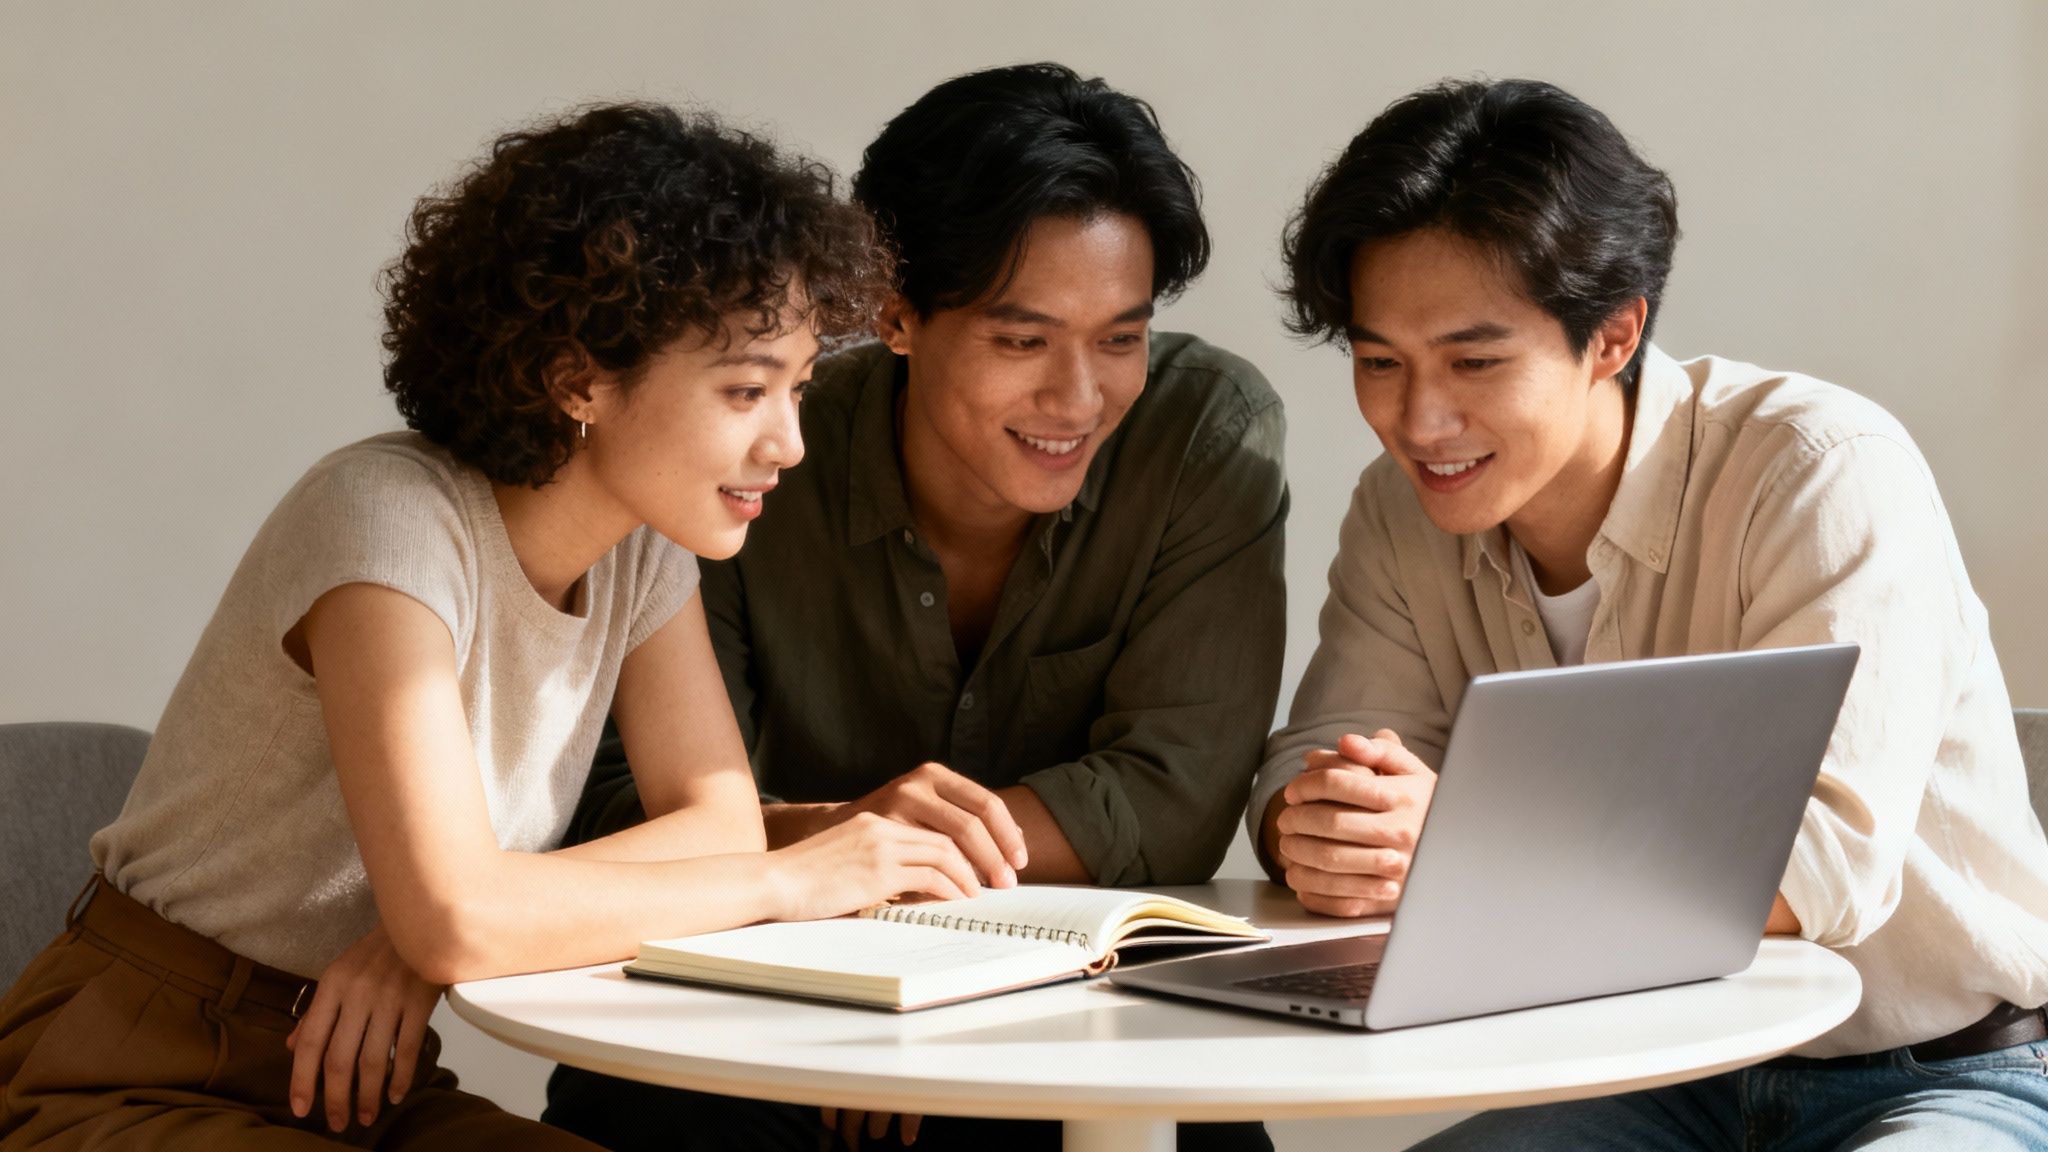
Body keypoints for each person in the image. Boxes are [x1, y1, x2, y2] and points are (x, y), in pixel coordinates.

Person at [0, 102, 982, 1150]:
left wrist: (425, 933)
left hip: (358, 1080)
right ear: (577, 381)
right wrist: (790, 880)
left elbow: (713, 828)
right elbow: (466, 916)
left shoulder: (643, 553)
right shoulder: (386, 522)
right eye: (745, 391)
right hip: (130, 1072)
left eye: (795, 389)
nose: (786, 443)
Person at [1253, 77, 2048, 1149]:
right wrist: (1316, 826)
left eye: (1473, 361)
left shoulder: (1818, 469)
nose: (1416, 419)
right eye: (1376, 361)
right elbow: (1321, 754)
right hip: (1642, 1073)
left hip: (1942, 1071)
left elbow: (1825, 865)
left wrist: (1458, 836)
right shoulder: (1398, 516)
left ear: (1613, 334)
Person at [545, 64, 1287, 1152]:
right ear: (894, 314)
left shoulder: (1200, 439)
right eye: (1022, 341)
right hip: (758, 1007)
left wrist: (882, 887)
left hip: (1070, 1012)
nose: (1078, 399)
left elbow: (1168, 803)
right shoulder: (751, 457)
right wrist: (839, 888)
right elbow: (629, 811)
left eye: (1119, 338)